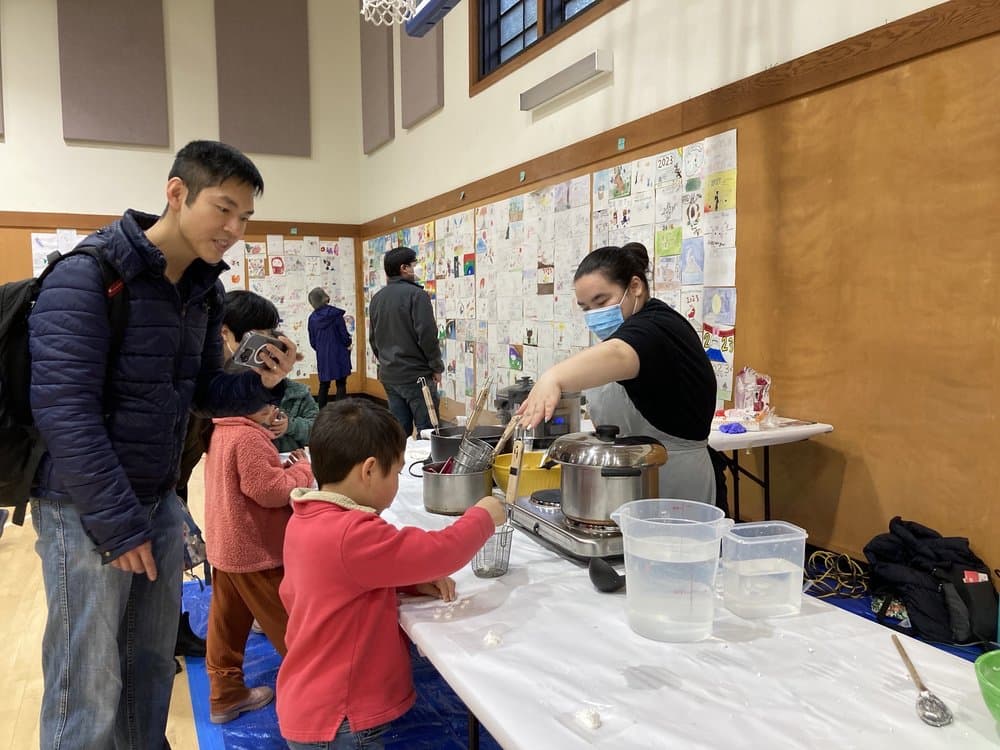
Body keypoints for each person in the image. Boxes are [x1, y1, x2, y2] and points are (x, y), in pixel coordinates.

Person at [27, 140, 298, 750]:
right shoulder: (88, 275)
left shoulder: (199, 289)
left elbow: (204, 390)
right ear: (176, 194)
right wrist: (120, 526)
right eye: (223, 209)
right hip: (84, 511)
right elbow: (63, 413)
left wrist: (262, 383)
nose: (234, 229)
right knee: (86, 684)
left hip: (155, 502)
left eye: (245, 218)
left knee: (149, 669)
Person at [276, 399, 507, 749]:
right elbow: (440, 552)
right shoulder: (352, 533)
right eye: (396, 473)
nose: (397, 481)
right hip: (342, 716)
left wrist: (408, 579)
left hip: (313, 702)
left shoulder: (307, 516)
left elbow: (337, 581)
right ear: (369, 470)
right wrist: (484, 515)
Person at [517, 242, 718, 504]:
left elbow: (621, 353)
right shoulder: (627, 333)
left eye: (602, 301)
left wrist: (552, 377)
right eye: (586, 308)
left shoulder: (657, 327)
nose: (595, 315)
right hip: (630, 476)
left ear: (635, 287)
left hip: (673, 479)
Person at [203, 401, 315, 723]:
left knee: (226, 625)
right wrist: (302, 470)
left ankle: (225, 694)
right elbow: (270, 491)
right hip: (254, 552)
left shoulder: (221, 427)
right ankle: (316, 696)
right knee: (289, 625)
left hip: (226, 547)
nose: (274, 410)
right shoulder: (247, 437)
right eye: (267, 403)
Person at [368, 247, 444, 436]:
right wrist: (435, 366)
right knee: (429, 431)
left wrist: (386, 361)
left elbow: (373, 339)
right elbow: (427, 334)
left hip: (390, 376)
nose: (417, 268)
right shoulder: (417, 295)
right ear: (404, 268)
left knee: (399, 433)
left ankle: (399, 465)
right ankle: (426, 466)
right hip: (416, 375)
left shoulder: (377, 299)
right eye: (414, 264)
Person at [308, 287, 352, 407]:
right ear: (325, 297)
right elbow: (344, 335)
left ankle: (320, 411)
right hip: (339, 352)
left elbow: (312, 341)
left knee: (324, 384)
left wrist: (321, 349)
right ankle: (340, 412)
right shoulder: (335, 315)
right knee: (341, 383)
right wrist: (348, 343)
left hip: (323, 355)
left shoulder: (312, 319)